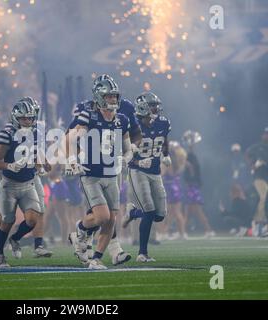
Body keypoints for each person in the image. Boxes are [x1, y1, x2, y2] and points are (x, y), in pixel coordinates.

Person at [67, 74, 138, 266]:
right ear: (99, 97)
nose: (113, 99)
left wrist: (127, 158)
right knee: (102, 217)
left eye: (115, 96)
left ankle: (96, 259)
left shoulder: (122, 119)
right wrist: (72, 160)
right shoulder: (88, 115)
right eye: (109, 96)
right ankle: (81, 229)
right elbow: (70, 139)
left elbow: (127, 147)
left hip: (112, 174)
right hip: (91, 174)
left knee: (111, 220)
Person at [0, 98, 47, 267]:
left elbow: (35, 152)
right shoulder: (6, 133)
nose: (27, 121)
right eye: (23, 118)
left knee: (32, 219)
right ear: (15, 118)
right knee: (7, 221)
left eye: (30, 118)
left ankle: (15, 239)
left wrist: (43, 163)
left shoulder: (36, 132)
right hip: (9, 185)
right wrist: (10, 165)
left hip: (28, 183)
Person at [123, 92, 171, 262]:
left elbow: (164, 140)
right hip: (138, 171)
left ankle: (133, 212)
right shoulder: (133, 125)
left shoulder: (163, 122)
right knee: (149, 211)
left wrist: (166, 154)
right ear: (143, 107)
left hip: (155, 172)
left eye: (156, 105)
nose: (156, 108)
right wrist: (137, 162)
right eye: (152, 105)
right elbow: (125, 152)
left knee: (160, 215)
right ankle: (142, 253)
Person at [182, 130, 215, 238]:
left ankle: (208, 230)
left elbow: (192, 171)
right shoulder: (191, 156)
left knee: (196, 210)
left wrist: (189, 174)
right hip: (193, 185)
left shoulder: (191, 157)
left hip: (192, 186)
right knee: (189, 211)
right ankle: (183, 232)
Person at [245, 127, 268, 236]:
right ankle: (260, 222)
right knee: (264, 196)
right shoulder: (258, 147)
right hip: (259, 177)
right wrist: (252, 165)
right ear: (263, 135)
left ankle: (259, 224)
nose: (266, 136)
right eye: (266, 134)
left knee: (264, 198)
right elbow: (247, 153)